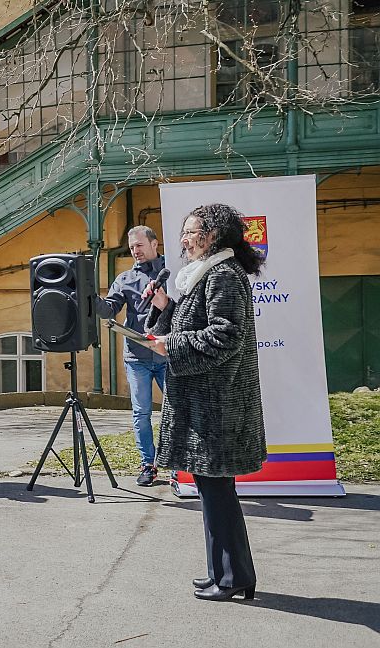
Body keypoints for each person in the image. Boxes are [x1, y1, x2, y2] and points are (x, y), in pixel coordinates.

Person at [146, 203, 266, 602]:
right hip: (206, 400)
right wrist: (168, 311)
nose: (183, 239)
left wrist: (172, 344)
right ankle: (228, 573)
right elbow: (198, 323)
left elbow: (224, 336)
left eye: (190, 231)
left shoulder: (224, 275)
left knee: (216, 492)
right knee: (212, 490)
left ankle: (232, 578)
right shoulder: (211, 274)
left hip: (216, 403)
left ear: (212, 235)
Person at [93, 226, 168, 486]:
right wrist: (90, 298)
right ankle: (148, 465)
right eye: (132, 247)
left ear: (154, 244)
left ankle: (178, 466)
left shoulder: (173, 272)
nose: (135, 251)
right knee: (141, 413)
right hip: (137, 358)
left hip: (169, 355)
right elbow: (109, 310)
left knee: (177, 410)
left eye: (139, 245)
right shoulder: (124, 279)